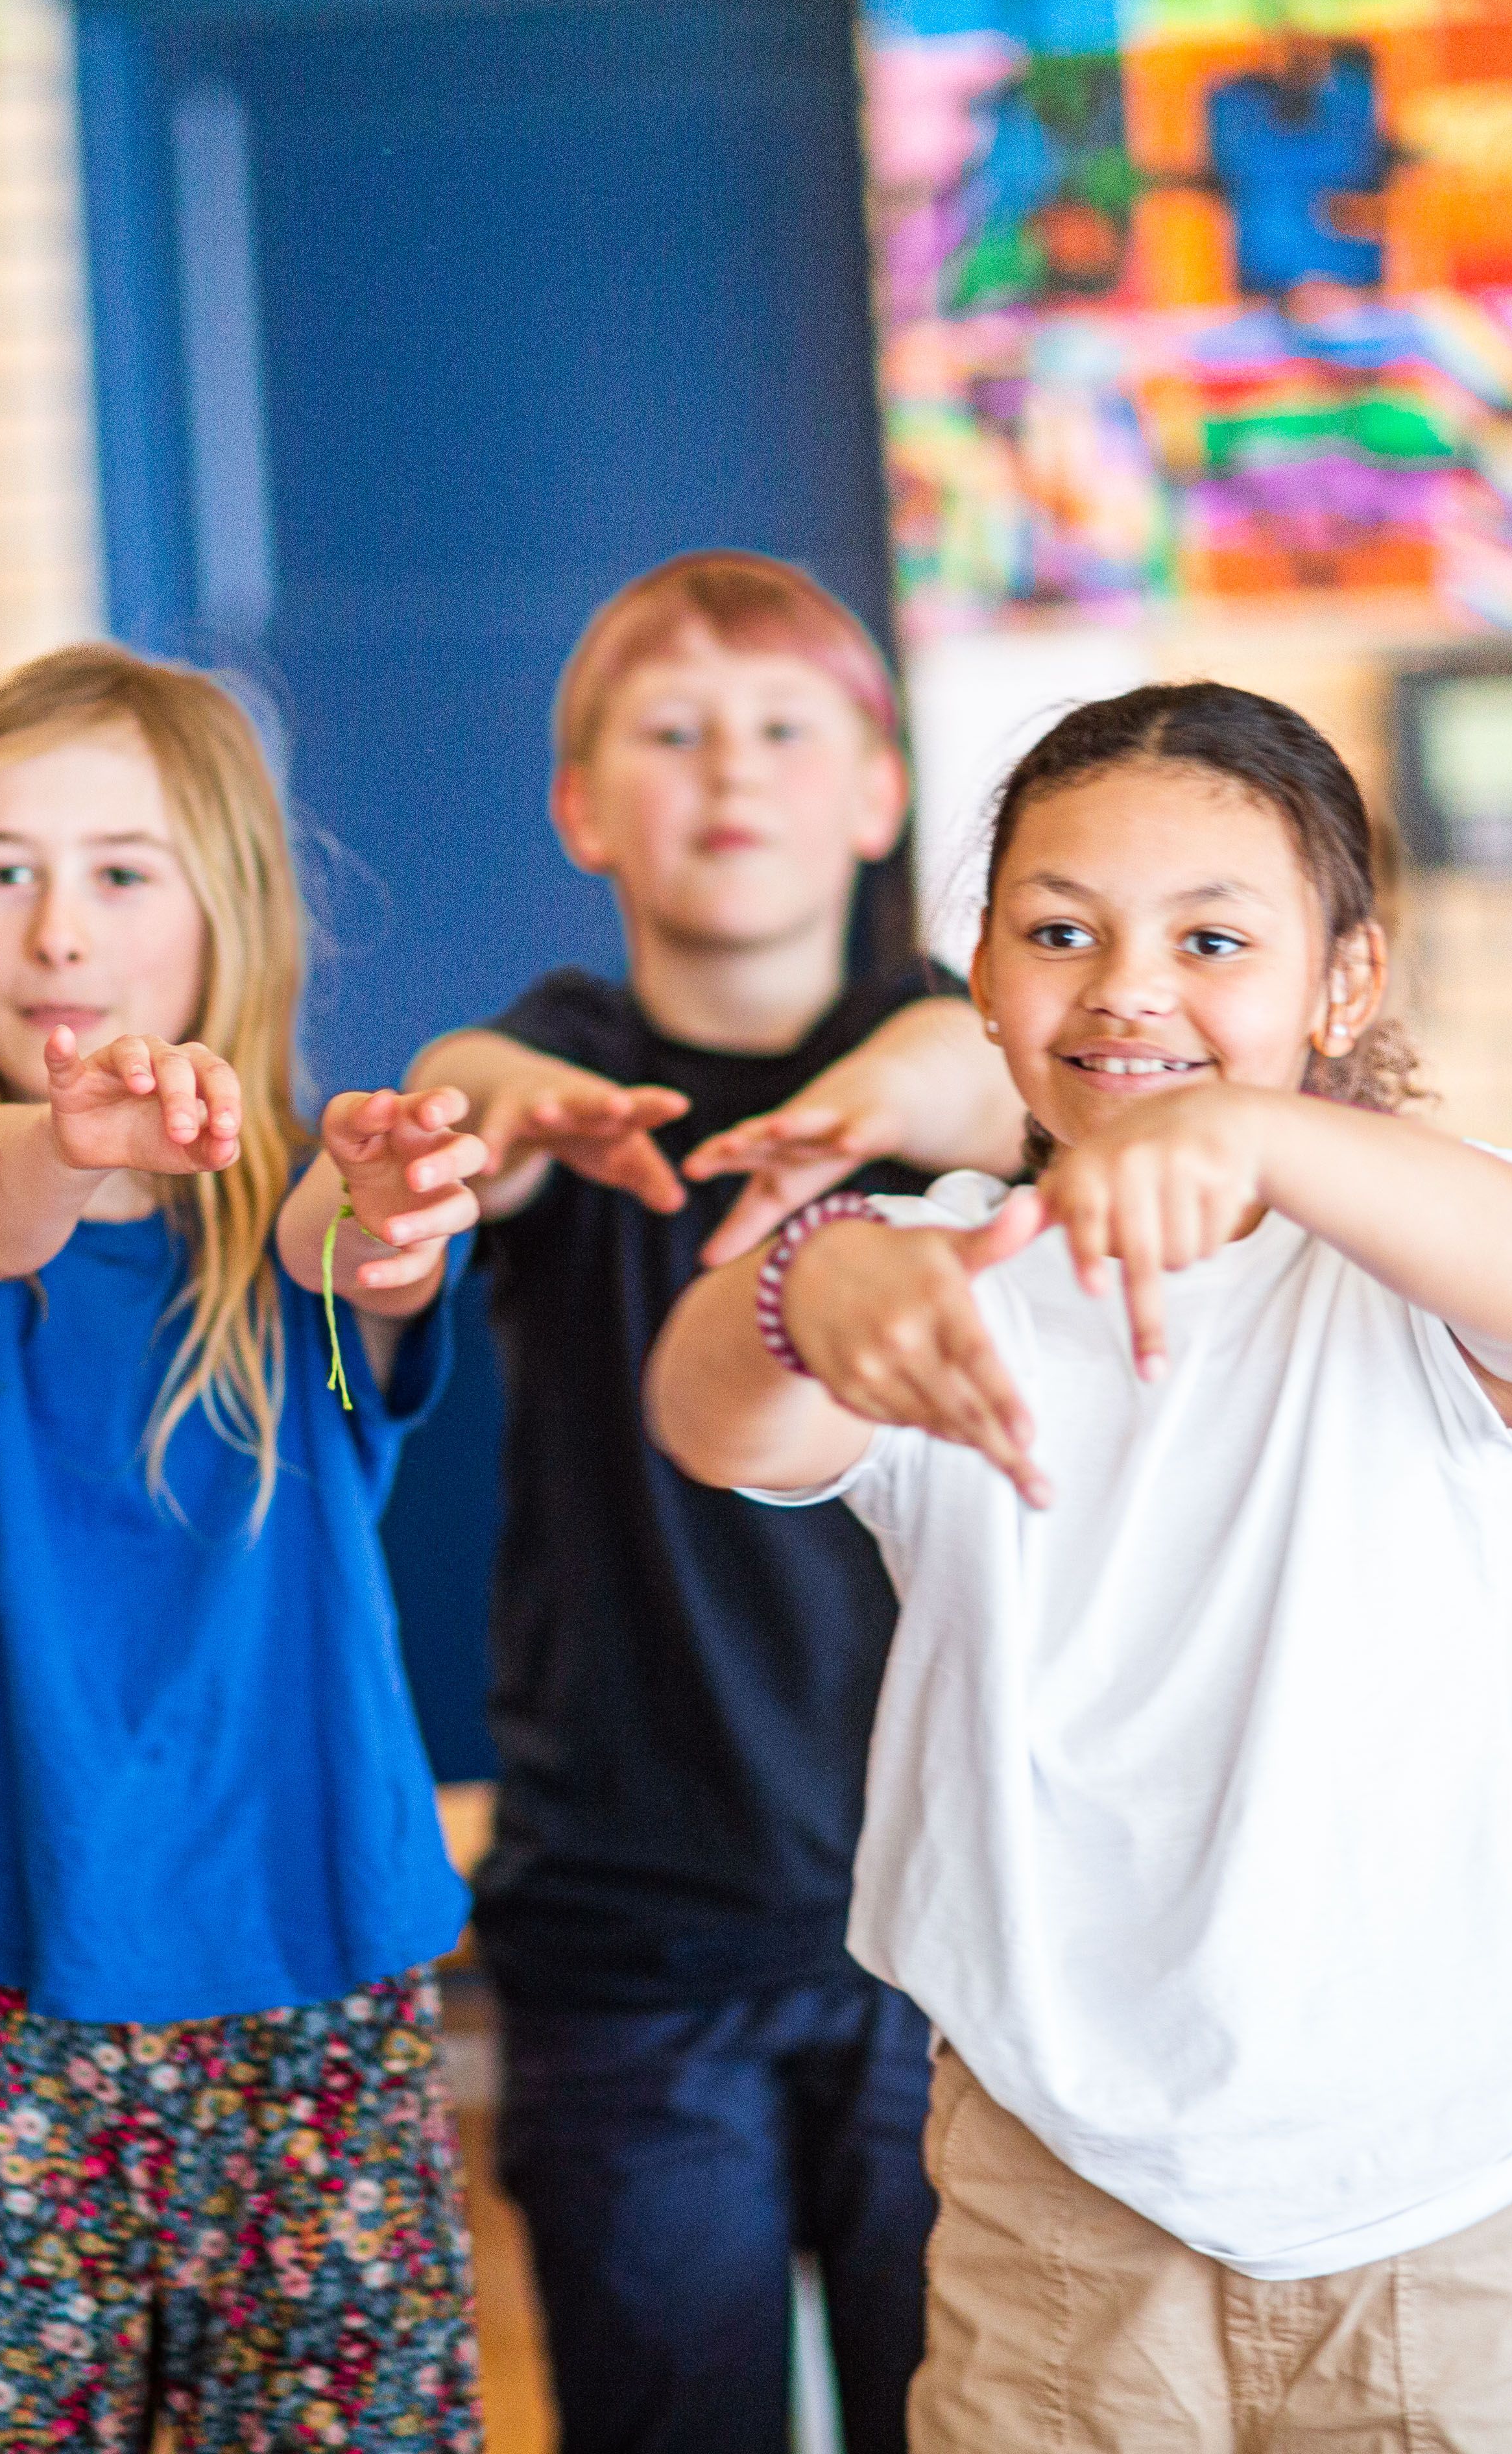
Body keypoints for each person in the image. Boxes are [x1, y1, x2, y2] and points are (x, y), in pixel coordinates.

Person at [647, 682, 1512, 2453]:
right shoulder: (953, 1267)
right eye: (1059, 933)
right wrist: (810, 1277)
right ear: (981, 976)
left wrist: (1254, 1135)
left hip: (1438, 2216)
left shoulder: (1417, 1262)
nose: (1128, 988)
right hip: (1056, 2213)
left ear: (1344, 983)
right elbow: (709, 1417)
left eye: (1213, 940)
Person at [0, 644, 492, 2449]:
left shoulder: (297, 1228)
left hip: (321, 1982)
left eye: (120, 870)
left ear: (225, 904)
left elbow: (356, 1258)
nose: (57, 930)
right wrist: (66, 1146)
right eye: (0, 868)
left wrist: (391, 1209)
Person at [403, 552, 1018, 2454]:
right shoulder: (576, 1071)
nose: (731, 768)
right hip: (629, 1938)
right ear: (585, 809)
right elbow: (465, 1088)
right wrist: (491, 1111)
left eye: (781, 727)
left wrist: (861, 1117)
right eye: (672, 734)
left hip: (958, 1929)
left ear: (879, 794)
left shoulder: (950, 1051)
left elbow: (986, 1074)